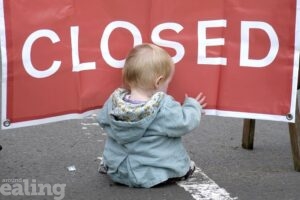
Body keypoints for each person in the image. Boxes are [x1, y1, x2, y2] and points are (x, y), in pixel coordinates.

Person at [97, 43, 207, 188]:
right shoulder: (163, 106)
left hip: (119, 171)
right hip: (155, 174)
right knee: (183, 164)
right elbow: (184, 123)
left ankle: (108, 164)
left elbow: (102, 120)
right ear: (158, 82)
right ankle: (182, 170)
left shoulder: (113, 103)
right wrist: (193, 106)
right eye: (168, 82)